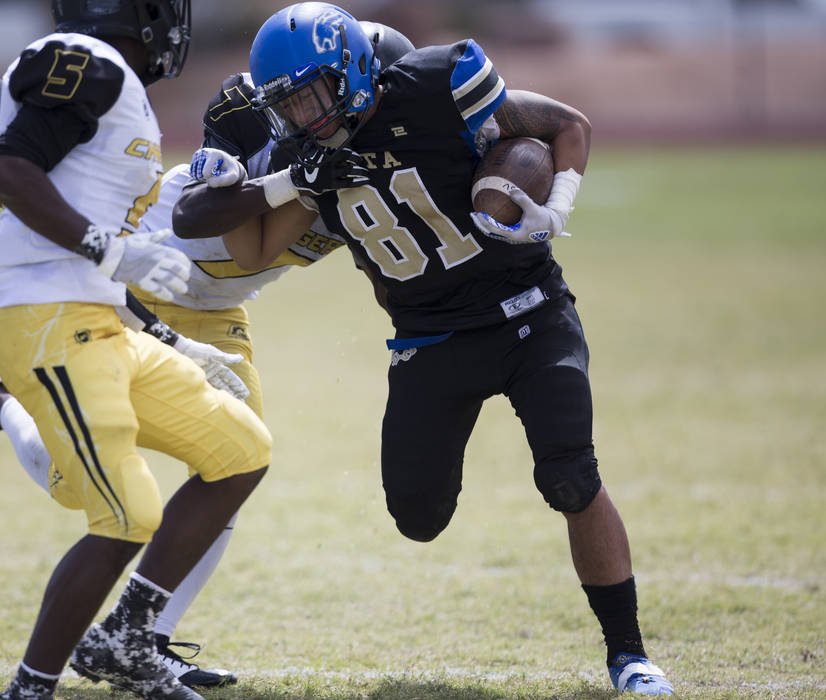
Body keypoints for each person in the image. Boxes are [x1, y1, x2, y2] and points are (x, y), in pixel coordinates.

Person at [171, 2, 676, 696]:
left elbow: (562, 128)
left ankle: (630, 656)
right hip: (428, 340)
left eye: (311, 96)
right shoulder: (309, 157)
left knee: (570, 476)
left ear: (349, 69)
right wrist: (246, 181)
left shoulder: (439, 85)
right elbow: (256, 246)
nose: (303, 118)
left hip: (526, 314)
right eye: (287, 107)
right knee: (418, 517)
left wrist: (555, 204)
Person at [0, 19, 415, 689]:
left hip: (219, 305)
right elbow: (211, 219)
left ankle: (139, 636)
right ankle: (0, 399)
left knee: (234, 458)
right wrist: (293, 176)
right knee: (78, 482)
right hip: (148, 271)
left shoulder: (368, 163)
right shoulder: (271, 115)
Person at [0, 1, 270, 698]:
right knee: (128, 513)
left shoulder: (122, 86)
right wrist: (107, 248)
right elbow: (7, 174)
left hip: (97, 320)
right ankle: (29, 690)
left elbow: (99, 243)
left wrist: (167, 336)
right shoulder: (89, 61)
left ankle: (128, 636)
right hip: (47, 315)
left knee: (240, 450)